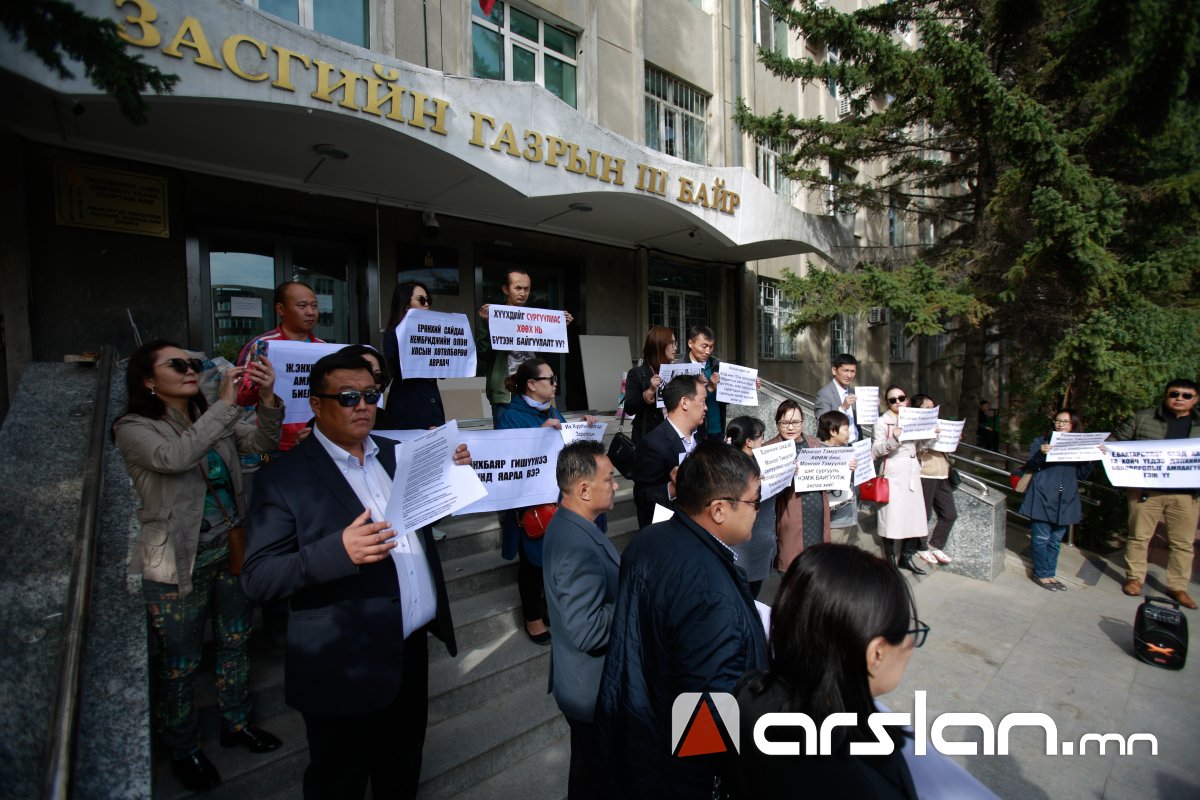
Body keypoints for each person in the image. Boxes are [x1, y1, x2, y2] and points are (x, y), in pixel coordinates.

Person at [241, 349, 472, 798]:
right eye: (348, 397)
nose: (363, 405)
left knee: (402, 769)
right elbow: (259, 577)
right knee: (339, 781)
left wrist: (451, 477)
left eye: (370, 395)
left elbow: (422, 522)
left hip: (409, 649)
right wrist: (338, 552)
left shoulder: (396, 454)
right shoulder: (283, 477)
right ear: (316, 404)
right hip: (342, 664)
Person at [113, 340, 284, 792]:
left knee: (236, 641)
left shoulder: (209, 414)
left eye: (193, 363)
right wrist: (225, 406)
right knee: (180, 663)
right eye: (177, 365)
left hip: (231, 548)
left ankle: (237, 722)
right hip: (176, 560)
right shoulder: (133, 427)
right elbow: (174, 458)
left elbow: (262, 442)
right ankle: (184, 747)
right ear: (148, 380)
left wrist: (267, 399)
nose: (190, 369)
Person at [596, 441, 768, 798]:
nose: (758, 510)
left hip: (644, 730)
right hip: (679, 770)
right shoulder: (710, 594)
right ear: (719, 509)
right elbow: (707, 716)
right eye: (754, 501)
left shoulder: (648, 540)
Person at [734, 543, 923, 799]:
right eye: (907, 632)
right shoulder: (865, 780)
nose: (910, 645)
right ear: (876, 653)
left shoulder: (747, 693)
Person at [542, 441, 621, 800]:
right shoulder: (575, 544)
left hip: (587, 685)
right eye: (610, 479)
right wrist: (635, 597)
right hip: (591, 689)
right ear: (584, 489)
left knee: (588, 773)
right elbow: (587, 630)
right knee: (594, 779)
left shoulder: (575, 525)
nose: (616, 485)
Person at [497, 358, 568, 644]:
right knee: (533, 563)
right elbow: (507, 461)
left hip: (558, 498)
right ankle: (532, 617)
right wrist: (540, 436)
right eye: (549, 379)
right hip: (531, 505)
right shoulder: (511, 417)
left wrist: (581, 429)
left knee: (556, 561)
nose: (555, 384)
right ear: (531, 385)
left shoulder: (552, 410)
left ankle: (550, 607)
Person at [1112, 378, 1200, 608]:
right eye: (1174, 394)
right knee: (1139, 537)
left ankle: (1178, 587)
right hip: (1146, 491)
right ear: (1166, 395)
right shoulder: (1143, 418)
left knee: (1183, 543)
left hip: (1186, 495)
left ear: (1195, 399)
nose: (1179, 398)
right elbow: (1115, 441)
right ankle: (1135, 579)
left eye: (1186, 395)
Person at [236, 281, 326, 454]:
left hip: (316, 439)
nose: (310, 312)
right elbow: (241, 397)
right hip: (273, 445)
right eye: (302, 306)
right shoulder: (263, 346)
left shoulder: (323, 348)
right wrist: (260, 384)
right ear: (281, 309)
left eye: (314, 306)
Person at [475, 270, 573, 426]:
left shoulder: (537, 319)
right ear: (505, 289)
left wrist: (559, 329)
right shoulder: (492, 317)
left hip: (535, 390)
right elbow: (482, 353)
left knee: (542, 432)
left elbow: (548, 355)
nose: (523, 293)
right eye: (518, 288)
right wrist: (488, 325)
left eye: (526, 289)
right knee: (507, 436)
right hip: (505, 391)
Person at [1018, 409, 1095, 591]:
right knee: (1041, 538)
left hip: (1066, 497)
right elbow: (1030, 465)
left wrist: (1092, 458)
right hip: (1042, 494)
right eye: (1057, 421)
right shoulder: (1042, 441)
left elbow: (1082, 474)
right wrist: (1041, 454)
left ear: (1074, 425)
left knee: (1054, 540)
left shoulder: (1079, 446)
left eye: (1065, 422)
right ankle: (1041, 574)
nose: (1060, 424)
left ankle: (1050, 574)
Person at [630, 373, 708, 527]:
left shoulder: (700, 439)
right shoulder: (653, 444)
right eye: (703, 401)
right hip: (671, 529)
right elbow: (642, 497)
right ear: (685, 403)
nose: (706, 408)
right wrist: (672, 488)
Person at [873, 386, 933, 575]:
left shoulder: (913, 418)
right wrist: (894, 438)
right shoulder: (882, 422)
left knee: (914, 515)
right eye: (893, 400)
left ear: (906, 400)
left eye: (901, 398)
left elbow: (919, 447)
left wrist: (931, 435)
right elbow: (876, 451)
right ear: (887, 403)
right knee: (890, 516)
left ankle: (906, 557)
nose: (898, 402)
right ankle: (890, 558)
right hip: (893, 472)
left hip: (912, 471)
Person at [772, 400, 831, 572]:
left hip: (817, 515)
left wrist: (844, 467)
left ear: (803, 422)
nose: (791, 427)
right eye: (785, 423)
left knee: (817, 564)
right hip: (790, 516)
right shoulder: (770, 449)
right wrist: (785, 473)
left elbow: (827, 474)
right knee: (792, 566)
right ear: (777, 423)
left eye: (796, 422)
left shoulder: (813, 443)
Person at [380, 280, 445, 431]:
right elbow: (391, 371)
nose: (426, 304)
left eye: (428, 300)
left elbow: (442, 372)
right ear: (406, 304)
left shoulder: (433, 333)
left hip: (433, 405)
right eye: (421, 300)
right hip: (407, 409)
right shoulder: (393, 334)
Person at [726, 415, 776, 598]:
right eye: (760, 436)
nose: (763, 440)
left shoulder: (760, 462)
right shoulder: (730, 467)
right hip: (743, 550)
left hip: (758, 547)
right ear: (749, 442)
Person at [911, 394, 956, 566]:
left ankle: (935, 545)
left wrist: (951, 439)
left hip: (942, 474)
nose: (932, 410)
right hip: (926, 473)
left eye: (933, 407)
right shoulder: (915, 426)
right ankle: (920, 546)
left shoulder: (938, 424)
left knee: (950, 514)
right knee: (925, 513)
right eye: (927, 407)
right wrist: (930, 437)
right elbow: (915, 450)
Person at [622, 325, 676, 444]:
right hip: (649, 438)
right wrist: (649, 391)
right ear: (659, 345)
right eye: (672, 343)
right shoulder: (637, 373)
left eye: (675, 343)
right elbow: (629, 408)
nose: (675, 348)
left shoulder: (675, 371)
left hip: (673, 434)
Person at [816, 410, 860, 539]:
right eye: (846, 429)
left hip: (847, 515)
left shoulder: (848, 450)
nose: (849, 433)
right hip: (832, 520)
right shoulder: (817, 453)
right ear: (833, 431)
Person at [683, 324, 727, 441]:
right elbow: (683, 403)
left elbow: (727, 398)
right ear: (690, 343)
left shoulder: (716, 365)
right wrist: (709, 388)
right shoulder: (680, 368)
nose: (708, 351)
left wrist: (749, 386)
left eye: (711, 347)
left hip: (717, 430)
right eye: (704, 346)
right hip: (693, 433)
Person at [814, 353, 861, 442]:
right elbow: (822, 425)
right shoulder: (824, 394)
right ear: (834, 371)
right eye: (845, 370)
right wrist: (843, 408)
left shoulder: (853, 392)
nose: (849, 375)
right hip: (836, 447)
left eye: (852, 371)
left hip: (857, 445)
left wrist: (872, 407)